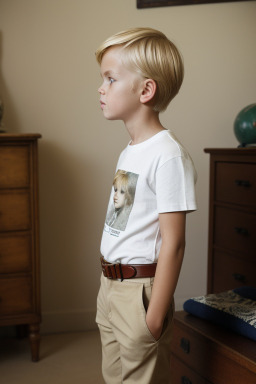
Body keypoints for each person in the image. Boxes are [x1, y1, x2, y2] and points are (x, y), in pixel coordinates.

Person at [95, 27, 197, 384]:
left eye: (110, 79)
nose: (101, 88)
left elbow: (175, 242)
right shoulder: (130, 151)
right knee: (114, 377)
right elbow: (122, 220)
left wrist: (153, 316)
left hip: (139, 294)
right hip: (110, 287)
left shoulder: (168, 156)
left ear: (146, 90)